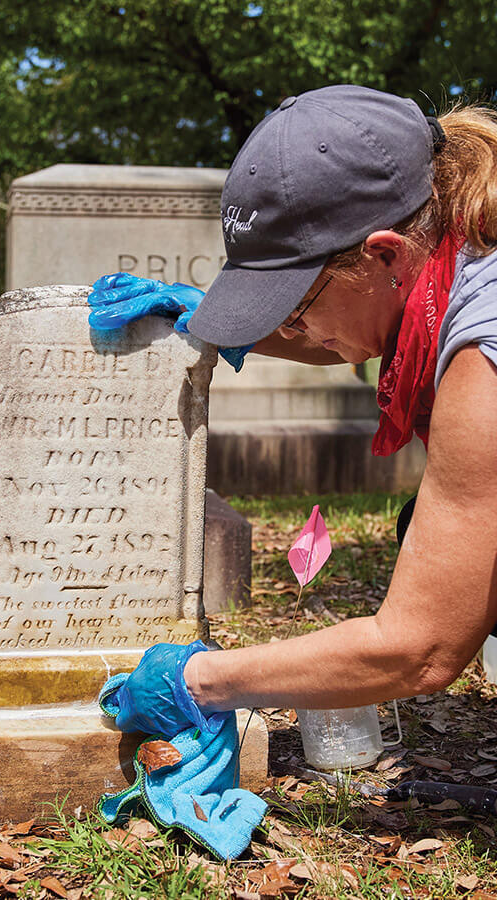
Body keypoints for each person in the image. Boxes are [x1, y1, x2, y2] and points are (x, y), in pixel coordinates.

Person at [91, 84, 497, 741]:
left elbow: (420, 647)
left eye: (296, 304)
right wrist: (212, 316)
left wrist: (200, 683)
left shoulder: (486, 349)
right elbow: (351, 325)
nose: (290, 327)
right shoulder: (451, 247)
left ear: (386, 254)